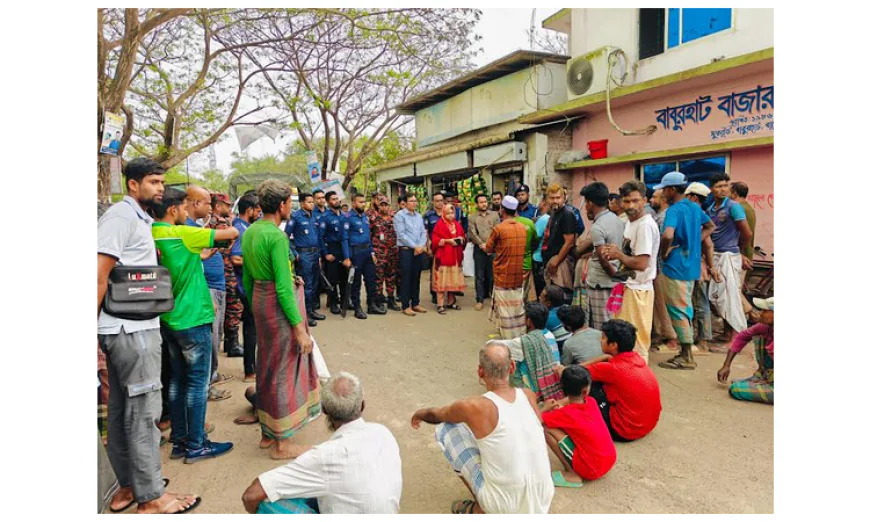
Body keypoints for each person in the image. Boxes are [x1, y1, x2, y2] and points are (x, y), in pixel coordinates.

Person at [97, 158, 200, 514]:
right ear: (133, 185)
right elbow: (98, 275)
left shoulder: (136, 218)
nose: (160, 188)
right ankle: (151, 497)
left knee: (125, 410)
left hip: (129, 327)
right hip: (131, 330)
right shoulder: (121, 218)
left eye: (161, 182)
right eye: (153, 182)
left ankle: (129, 486)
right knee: (144, 412)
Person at [411, 342, 555, 514]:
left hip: (503, 505)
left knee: (446, 428)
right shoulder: (528, 396)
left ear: (480, 372)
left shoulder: (474, 406)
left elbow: (437, 415)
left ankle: (481, 509)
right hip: (543, 496)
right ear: (512, 367)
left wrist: (419, 413)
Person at [151, 188, 239, 463]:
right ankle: (197, 444)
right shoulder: (183, 233)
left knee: (176, 381)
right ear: (173, 210)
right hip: (193, 317)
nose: (187, 213)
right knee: (198, 384)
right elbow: (231, 235)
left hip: (170, 317)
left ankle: (180, 440)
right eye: (185, 208)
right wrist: (227, 220)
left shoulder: (153, 232)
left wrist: (198, 257)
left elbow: (177, 261)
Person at [242, 372, 403, 514]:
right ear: (362, 405)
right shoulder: (383, 433)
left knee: (272, 499)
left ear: (324, 410)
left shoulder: (324, 456)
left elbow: (251, 495)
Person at [242, 180, 320, 460]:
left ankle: (267, 433)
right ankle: (282, 444)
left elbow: (248, 278)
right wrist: (299, 328)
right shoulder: (276, 237)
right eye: (290, 202)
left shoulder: (251, 231)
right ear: (283, 205)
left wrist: (256, 306)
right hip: (277, 304)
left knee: (266, 365)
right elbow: (284, 287)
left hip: (261, 303)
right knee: (284, 371)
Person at [655, 172, 715, 371]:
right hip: (692, 265)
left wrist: (665, 252)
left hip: (676, 265)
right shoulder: (695, 208)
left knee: (678, 310)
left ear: (672, 189)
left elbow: (667, 235)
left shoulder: (674, 210)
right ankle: (684, 352)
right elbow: (710, 226)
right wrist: (694, 240)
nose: (663, 192)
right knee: (686, 308)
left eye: (664, 189)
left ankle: (687, 355)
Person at [601, 180, 661, 364]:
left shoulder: (644, 225)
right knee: (623, 343)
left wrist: (619, 254)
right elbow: (630, 256)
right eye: (626, 201)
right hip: (629, 287)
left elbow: (642, 263)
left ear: (645, 200)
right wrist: (616, 255)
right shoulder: (630, 223)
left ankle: (637, 380)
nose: (631, 206)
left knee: (635, 344)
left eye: (635, 201)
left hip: (638, 291)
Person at [184, 188, 233, 403]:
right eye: (207, 204)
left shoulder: (196, 227)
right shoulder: (188, 229)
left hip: (215, 287)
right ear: (194, 204)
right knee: (209, 340)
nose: (210, 208)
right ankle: (206, 386)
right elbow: (232, 234)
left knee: (215, 336)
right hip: (208, 289)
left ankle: (210, 379)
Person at [582, 319, 662, 442]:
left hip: (625, 431)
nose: (600, 340)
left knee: (586, 383)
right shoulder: (637, 358)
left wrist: (602, 358)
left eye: (603, 338)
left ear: (613, 345)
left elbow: (576, 373)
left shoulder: (611, 368)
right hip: (648, 425)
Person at [540, 366, 617, 486]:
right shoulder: (591, 401)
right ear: (586, 391)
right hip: (609, 459)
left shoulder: (565, 414)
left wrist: (545, 408)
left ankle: (572, 474)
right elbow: (572, 408)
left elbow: (536, 420)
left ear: (562, 388)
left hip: (592, 469)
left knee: (546, 429)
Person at [707, 173, 752, 342]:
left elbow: (747, 232)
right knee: (718, 296)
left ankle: (736, 337)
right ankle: (727, 334)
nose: (723, 189)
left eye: (725, 185)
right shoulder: (710, 209)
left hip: (728, 255)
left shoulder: (734, 207)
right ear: (712, 189)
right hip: (716, 255)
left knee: (731, 296)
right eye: (719, 186)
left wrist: (739, 251)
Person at [575, 182, 625, 329]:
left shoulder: (598, 227)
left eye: (586, 203)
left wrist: (615, 276)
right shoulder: (616, 219)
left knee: (601, 327)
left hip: (601, 284)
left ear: (590, 203)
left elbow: (604, 260)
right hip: (614, 282)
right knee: (613, 323)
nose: (585, 208)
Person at [499, 302, 563, 404]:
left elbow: (492, 345)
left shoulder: (523, 341)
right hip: (553, 382)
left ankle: (521, 396)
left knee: (513, 363)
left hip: (537, 387)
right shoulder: (550, 334)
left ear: (528, 321)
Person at [484, 196, 528, 339]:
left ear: (502, 210)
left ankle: (507, 337)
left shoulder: (499, 228)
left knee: (504, 309)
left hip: (502, 274)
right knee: (517, 307)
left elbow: (488, 249)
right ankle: (519, 334)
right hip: (517, 274)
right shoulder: (523, 228)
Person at [204, 193, 236, 390]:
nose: (229, 208)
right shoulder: (216, 224)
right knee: (213, 334)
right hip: (212, 286)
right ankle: (209, 379)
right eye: (226, 204)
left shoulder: (213, 223)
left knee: (218, 333)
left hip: (220, 282)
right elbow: (233, 234)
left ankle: (213, 375)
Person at [717, 297, 774, 405]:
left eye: (765, 311)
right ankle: (763, 376)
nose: (760, 313)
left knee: (736, 389)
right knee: (758, 335)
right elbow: (742, 337)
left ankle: (768, 383)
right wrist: (726, 365)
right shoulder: (766, 326)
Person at [685, 182, 718, 354]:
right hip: (695, 266)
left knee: (700, 304)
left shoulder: (697, 216)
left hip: (698, 267)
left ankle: (704, 341)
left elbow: (709, 244)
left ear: (693, 197)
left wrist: (712, 267)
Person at [230, 193, 260, 382]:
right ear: (249, 210)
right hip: (245, 286)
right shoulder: (241, 229)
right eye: (257, 210)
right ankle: (250, 371)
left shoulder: (246, 227)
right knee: (251, 328)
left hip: (246, 285)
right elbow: (236, 258)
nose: (259, 213)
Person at [286, 193, 326, 328]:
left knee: (315, 284)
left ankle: (312, 310)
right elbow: (286, 236)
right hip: (304, 254)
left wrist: (320, 254)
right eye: (309, 202)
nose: (312, 204)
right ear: (302, 203)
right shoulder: (296, 217)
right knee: (307, 285)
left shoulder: (314, 216)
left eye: (312, 202)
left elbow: (318, 236)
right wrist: (294, 252)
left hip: (315, 253)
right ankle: (305, 315)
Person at [346, 194, 387, 319]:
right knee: (356, 282)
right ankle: (357, 307)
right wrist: (347, 257)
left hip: (367, 252)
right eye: (360, 202)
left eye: (364, 202)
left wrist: (372, 252)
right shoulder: (347, 217)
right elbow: (344, 239)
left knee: (371, 280)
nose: (363, 204)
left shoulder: (365, 217)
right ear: (353, 203)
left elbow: (368, 236)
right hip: (355, 253)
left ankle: (371, 305)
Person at [649, 189, 678, 351]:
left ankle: (671, 338)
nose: (651, 200)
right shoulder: (658, 215)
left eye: (654, 197)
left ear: (664, 199)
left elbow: (667, 237)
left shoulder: (666, 216)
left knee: (664, 303)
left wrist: (664, 252)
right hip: (658, 265)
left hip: (663, 265)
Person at [393, 194, 428, 316]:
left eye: (415, 200)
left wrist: (421, 246)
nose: (414, 203)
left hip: (418, 250)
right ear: (405, 203)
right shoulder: (399, 216)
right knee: (406, 278)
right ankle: (405, 305)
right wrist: (415, 246)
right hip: (406, 250)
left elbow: (423, 232)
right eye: (411, 201)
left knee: (416, 277)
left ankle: (415, 303)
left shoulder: (418, 216)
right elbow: (401, 235)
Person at [541, 183, 578, 300]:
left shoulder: (567, 214)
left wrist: (556, 261)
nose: (555, 201)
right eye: (552, 198)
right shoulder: (553, 213)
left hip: (561, 262)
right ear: (547, 199)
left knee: (561, 297)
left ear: (564, 198)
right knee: (552, 296)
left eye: (558, 198)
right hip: (552, 261)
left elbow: (569, 242)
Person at [431, 202, 467, 314]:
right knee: (442, 281)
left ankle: (451, 302)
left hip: (455, 256)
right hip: (443, 258)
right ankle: (440, 304)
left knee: (452, 281)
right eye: (448, 213)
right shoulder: (439, 225)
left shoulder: (457, 224)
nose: (451, 215)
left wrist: (461, 239)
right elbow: (435, 241)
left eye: (452, 213)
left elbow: (464, 237)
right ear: (443, 214)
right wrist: (448, 241)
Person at [320, 191, 351, 316]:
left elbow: (345, 237)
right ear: (328, 202)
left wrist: (347, 255)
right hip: (331, 250)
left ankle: (344, 302)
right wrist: (326, 253)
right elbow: (320, 237)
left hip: (342, 249)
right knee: (332, 280)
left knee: (344, 278)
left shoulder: (344, 216)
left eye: (337, 198)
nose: (336, 201)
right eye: (333, 199)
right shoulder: (325, 217)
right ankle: (333, 303)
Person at [467, 194, 500, 311]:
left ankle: (493, 298)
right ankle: (479, 300)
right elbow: (472, 233)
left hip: (493, 249)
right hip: (479, 249)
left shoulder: (495, 215)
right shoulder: (472, 217)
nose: (484, 204)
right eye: (481, 202)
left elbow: (497, 231)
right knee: (479, 275)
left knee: (493, 275)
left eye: (485, 201)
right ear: (477, 204)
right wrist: (482, 245)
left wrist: (490, 246)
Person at [370, 195, 402, 311]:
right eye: (381, 205)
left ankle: (391, 299)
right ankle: (378, 299)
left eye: (386, 205)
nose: (384, 207)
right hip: (379, 253)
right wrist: (372, 252)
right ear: (378, 206)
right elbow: (369, 236)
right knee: (378, 278)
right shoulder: (373, 219)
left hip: (392, 253)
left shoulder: (395, 218)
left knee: (391, 277)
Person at [730, 181, 757, 313]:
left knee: (734, 290)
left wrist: (739, 252)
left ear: (734, 193)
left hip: (741, 254)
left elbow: (745, 234)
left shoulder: (738, 209)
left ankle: (752, 314)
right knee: (736, 289)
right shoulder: (748, 208)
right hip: (745, 253)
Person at [424, 191, 447, 304]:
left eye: (441, 201)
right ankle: (434, 294)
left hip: (447, 248)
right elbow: (426, 232)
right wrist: (428, 248)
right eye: (437, 201)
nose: (439, 203)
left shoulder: (448, 213)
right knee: (435, 272)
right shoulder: (429, 215)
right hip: (435, 248)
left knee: (447, 271)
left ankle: (446, 293)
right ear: (433, 202)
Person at [539, 285, 571, 350]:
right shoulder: (569, 308)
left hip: (561, 349)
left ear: (548, 303)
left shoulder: (546, 318)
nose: (539, 297)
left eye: (541, 297)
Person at [532, 199, 550, 299]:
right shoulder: (548, 218)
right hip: (544, 257)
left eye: (539, 202)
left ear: (544, 203)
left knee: (539, 287)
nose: (538, 204)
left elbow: (536, 239)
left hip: (538, 257)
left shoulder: (543, 219)